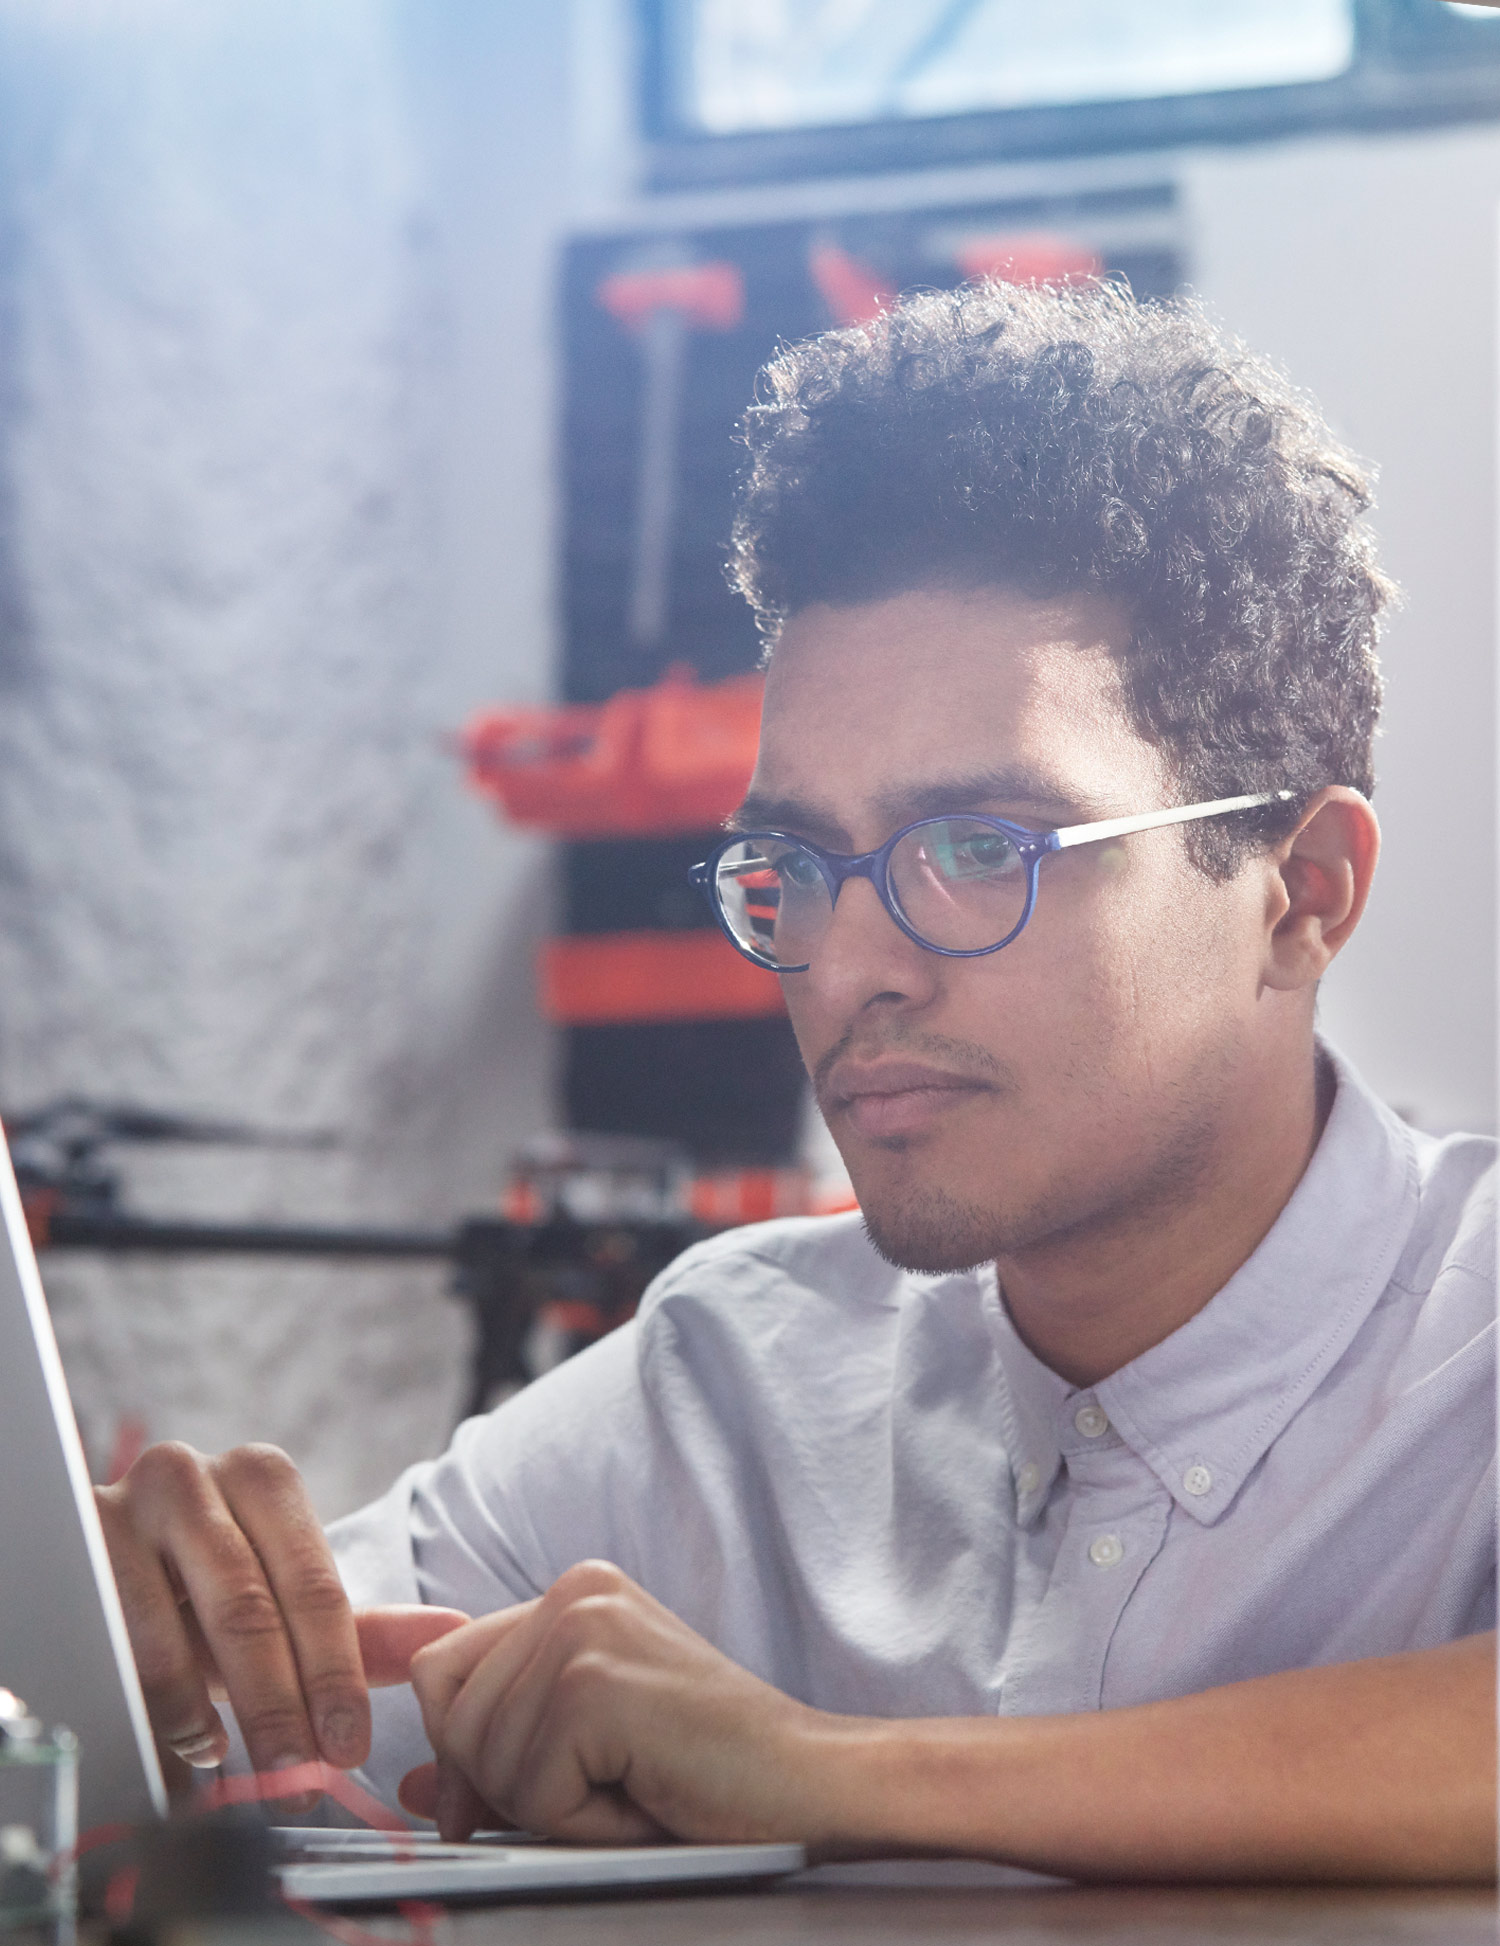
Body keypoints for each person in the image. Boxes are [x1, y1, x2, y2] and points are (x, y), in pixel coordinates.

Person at [96, 281, 1496, 1881]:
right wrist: (131, 1626)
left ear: (1300, 890)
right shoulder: (728, 1384)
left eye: (979, 848)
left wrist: (821, 1770)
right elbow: (262, 1731)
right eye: (795, 862)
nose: (843, 966)